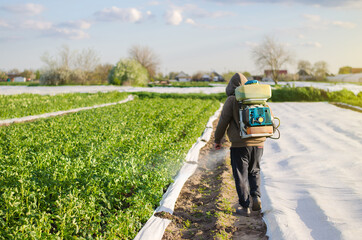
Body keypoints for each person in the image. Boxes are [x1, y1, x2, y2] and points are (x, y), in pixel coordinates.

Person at [214, 73, 266, 217]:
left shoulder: (232, 99)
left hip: (239, 144)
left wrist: (217, 140)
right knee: (254, 170)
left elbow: (223, 122)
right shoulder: (258, 98)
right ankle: (256, 197)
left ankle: (245, 206)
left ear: (230, 86)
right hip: (259, 142)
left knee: (240, 175)